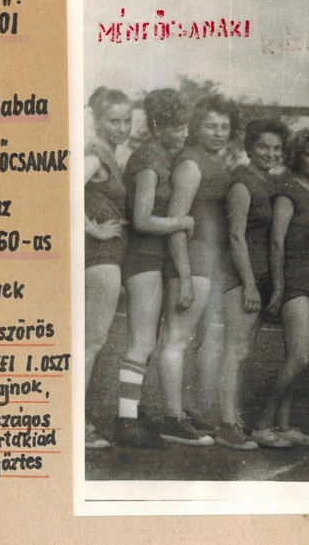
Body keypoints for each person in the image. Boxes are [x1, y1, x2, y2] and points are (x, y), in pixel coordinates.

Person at [158, 95, 240, 447]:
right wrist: (185, 275)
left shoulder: (212, 162)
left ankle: (185, 411)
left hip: (207, 264)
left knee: (191, 341)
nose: (219, 133)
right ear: (195, 127)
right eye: (211, 126)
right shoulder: (191, 163)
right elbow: (177, 222)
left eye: (225, 127)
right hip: (190, 261)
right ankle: (172, 419)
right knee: (176, 339)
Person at [115, 89, 194, 448]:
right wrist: (182, 222)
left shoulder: (160, 158)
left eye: (186, 126)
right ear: (159, 126)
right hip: (142, 256)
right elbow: (142, 219)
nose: (184, 134)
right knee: (142, 341)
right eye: (178, 127)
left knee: (147, 340)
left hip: (153, 258)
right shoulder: (147, 160)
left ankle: (132, 412)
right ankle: (125, 420)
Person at [253, 128, 309, 448]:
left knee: (295, 358)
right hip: (295, 281)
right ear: (297, 158)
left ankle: (284, 426)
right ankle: (262, 425)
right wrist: (279, 287)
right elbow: (276, 242)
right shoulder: (287, 192)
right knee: (299, 357)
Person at [219, 118, 286, 448]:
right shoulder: (242, 183)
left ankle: (233, 418)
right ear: (250, 147)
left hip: (258, 278)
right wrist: (248, 284)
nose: (270, 153)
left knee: (244, 351)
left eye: (276, 148)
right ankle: (227, 424)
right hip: (238, 276)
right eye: (263, 146)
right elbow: (236, 237)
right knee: (234, 350)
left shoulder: (268, 182)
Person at [84, 86, 132, 449]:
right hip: (100, 259)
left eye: (128, 120)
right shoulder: (95, 154)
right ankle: (78, 425)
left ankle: (80, 421)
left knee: (91, 344)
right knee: (92, 344)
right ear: (98, 120)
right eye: (114, 121)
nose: (123, 128)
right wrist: (94, 229)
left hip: (106, 259)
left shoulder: (111, 155)